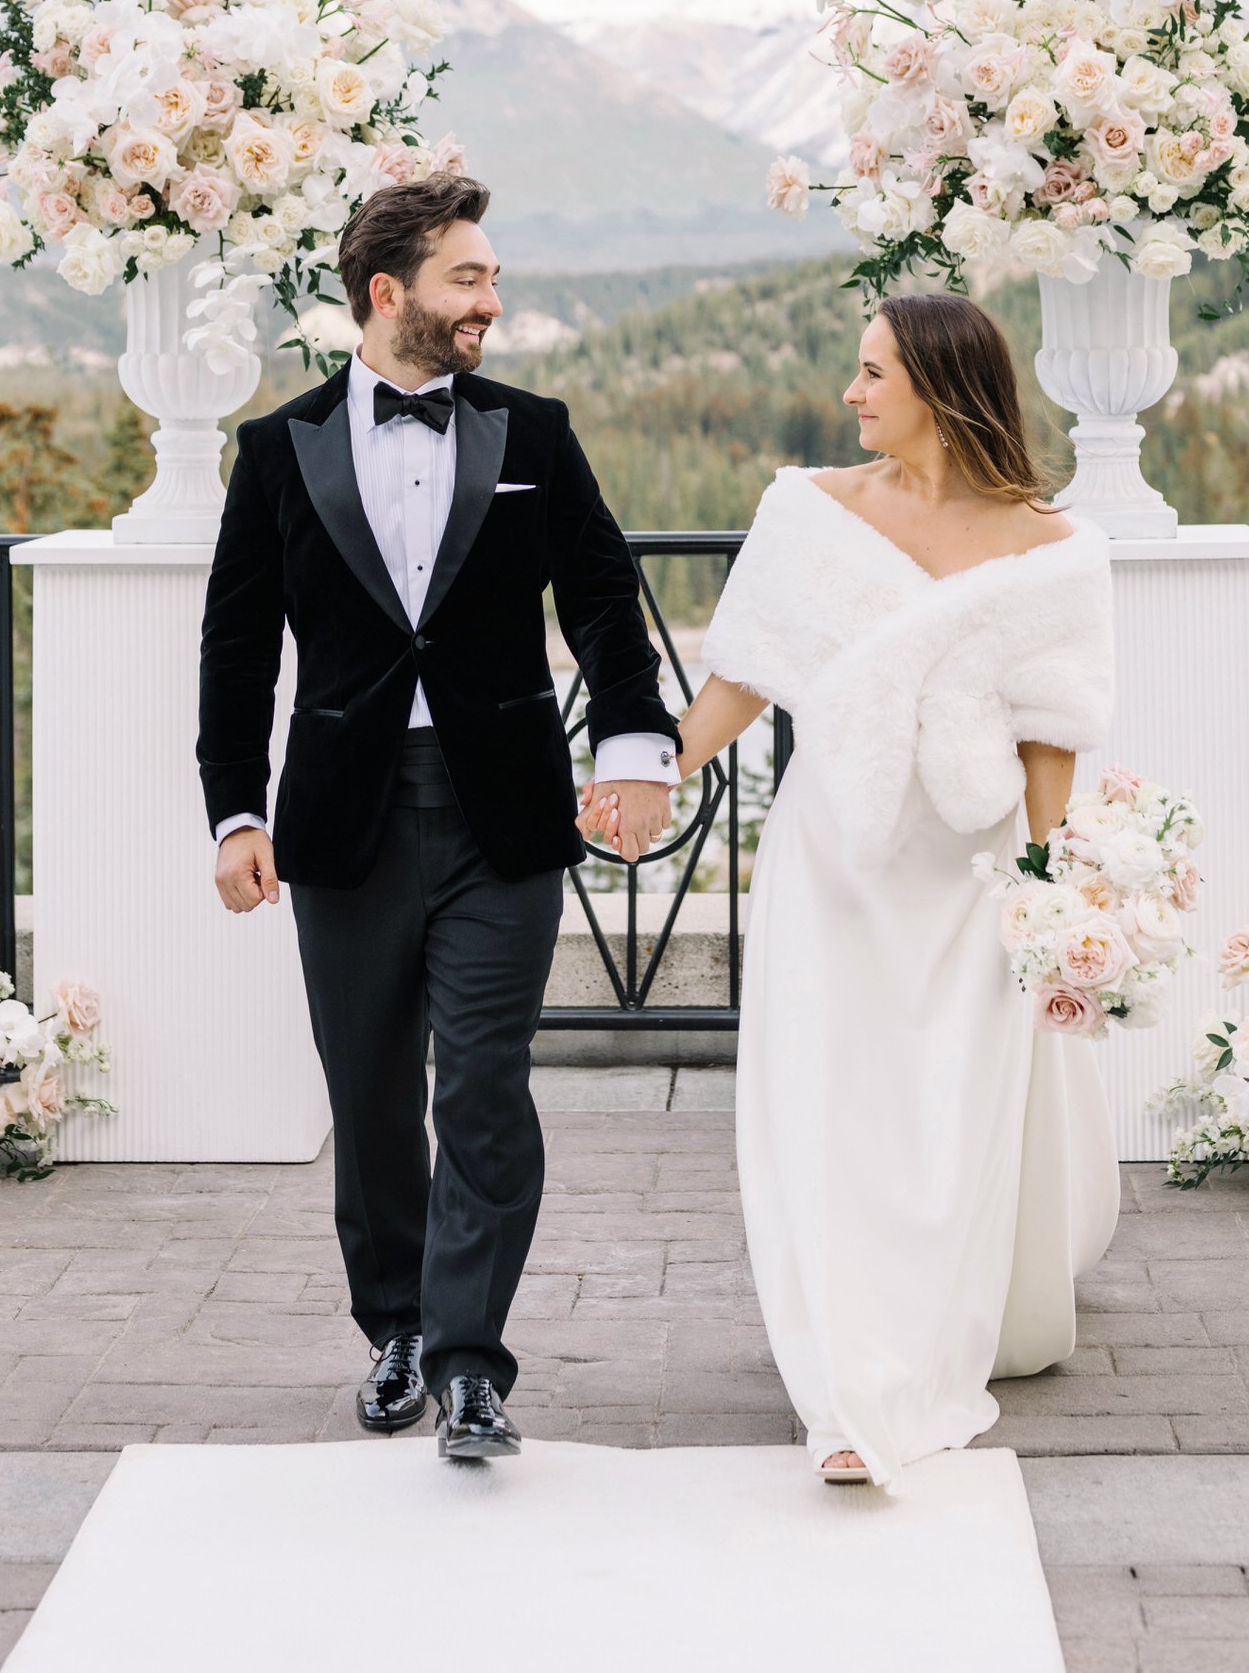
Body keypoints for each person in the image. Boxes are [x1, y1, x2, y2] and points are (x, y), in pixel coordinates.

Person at [586, 291, 1117, 1488]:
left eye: (874, 371)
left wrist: (1055, 885)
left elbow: (1052, 731)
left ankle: (925, 1345)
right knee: (822, 1106)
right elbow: (748, 673)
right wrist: (655, 771)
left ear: (940, 384)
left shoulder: (1054, 549)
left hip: (966, 877)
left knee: (942, 1117)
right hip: (834, 864)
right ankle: (843, 1394)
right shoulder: (808, 515)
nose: (852, 392)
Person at [199, 173, 680, 1462]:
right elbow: (237, 653)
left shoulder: (534, 433)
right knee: (367, 1098)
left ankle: (472, 1363)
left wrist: (636, 749)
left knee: (480, 1091)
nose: (491, 301)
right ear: (386, 293)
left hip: (499, 819)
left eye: (492, 278)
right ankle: (396, 1328)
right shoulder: (277, 449)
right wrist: (236, 814)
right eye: (469, 279)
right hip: (341, 823)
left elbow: (603, 609)